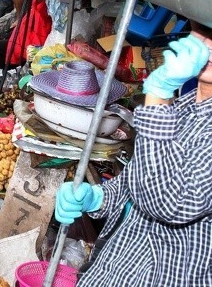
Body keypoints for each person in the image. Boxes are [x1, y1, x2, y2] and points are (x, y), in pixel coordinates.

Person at [54, 28, 212, 286]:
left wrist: (159, 93)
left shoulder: (166, 102)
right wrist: (98, 198)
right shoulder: (184, 107)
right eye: (202, 29)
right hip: (119, 268)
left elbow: (168, 203)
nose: (207, 43)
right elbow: (137, 179)